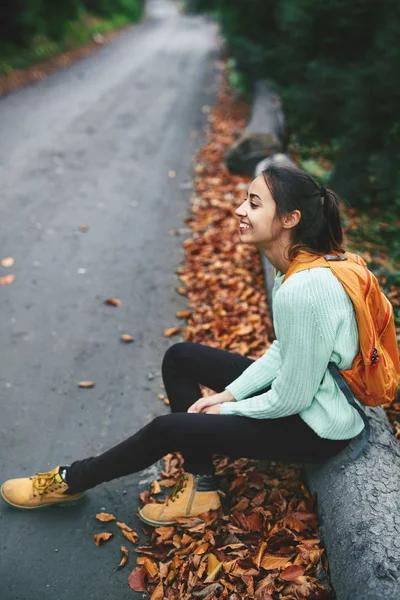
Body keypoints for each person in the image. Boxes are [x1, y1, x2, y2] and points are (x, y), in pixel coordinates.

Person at [1, 164, 365, 527]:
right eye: (244, 200)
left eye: (254, 204)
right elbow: (283, 351)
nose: (240, 210)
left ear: (290, 218)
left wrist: (226, 412)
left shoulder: (303, 290)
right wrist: (228, 395)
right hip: (309, 397)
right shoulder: (295, 268)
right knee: (180, 357)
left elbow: (292, 399)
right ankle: (200, 484)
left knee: (169, 428)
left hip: (315, 427)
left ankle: (71, 481)